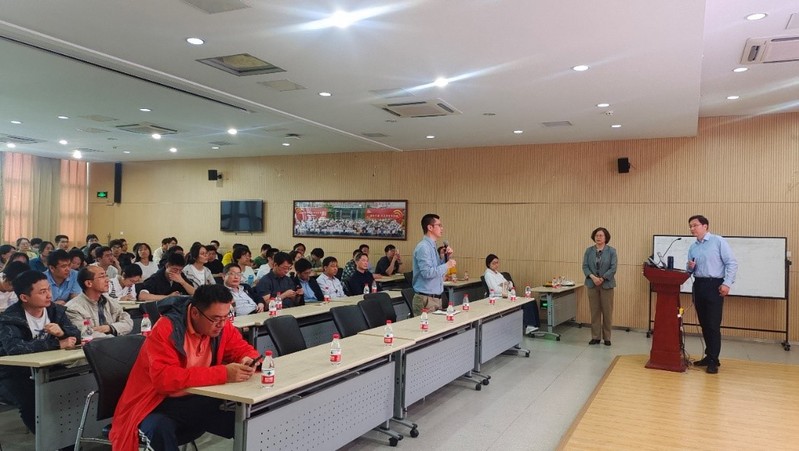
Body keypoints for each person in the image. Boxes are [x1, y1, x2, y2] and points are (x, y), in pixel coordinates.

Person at [110, 284, 259, 451]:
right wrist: (223, 373)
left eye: (226, 316)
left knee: (251, 417)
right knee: (159, 427)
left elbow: (241, 348)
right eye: (216, 319)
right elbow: (165, 380)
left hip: (194, 399)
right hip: (155, 403)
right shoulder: (166, 329)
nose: (222, 324)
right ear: (195, 313)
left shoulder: (221, 325)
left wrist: (249, 359)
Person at [0, 270, 80, 433]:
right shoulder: (10, 317)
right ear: (24, 297)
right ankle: (47, 440)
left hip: (49, 368)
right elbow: (15, 348)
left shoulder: (55, 311)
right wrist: (57, 343)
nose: (49, 295)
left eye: (49, 289)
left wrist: (62, 333)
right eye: (42, 292)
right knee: (31, 400)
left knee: (76, 385)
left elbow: (76, 336)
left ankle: (72, 436)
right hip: (14, 373)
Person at [686, 215, 737, 374]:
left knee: (713, 324)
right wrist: (690, 267)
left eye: (695, 225)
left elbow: (731, 263)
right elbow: (689, 270)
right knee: (704, 323)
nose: (692, 228)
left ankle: (714, 360)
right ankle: (709, 356)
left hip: (714, 285)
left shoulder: (718, 241)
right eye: (690, 226)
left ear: (705, 226)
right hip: (699, 285)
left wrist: (727, 283)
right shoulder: (693, 247)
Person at [66, 266, 133, 337]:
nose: (107, 280)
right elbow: (86, 333)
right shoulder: (73, 308)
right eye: (102, 277)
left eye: (106, 276)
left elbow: (128, 322)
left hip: (114, 341)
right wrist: (113, 340)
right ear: (89, 283)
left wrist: (109, 328)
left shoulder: (110, 301)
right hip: (96, 343)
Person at [484, 254, 541, 334]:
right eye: (494, 263)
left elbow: (509, 284)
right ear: (488, 264)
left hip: (508, 295)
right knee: (527, 303)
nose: (496, 265)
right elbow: (495, 290)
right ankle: (529, 326)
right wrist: (505, 286)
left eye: (497, 263)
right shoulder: (488, 274)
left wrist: (505, 285)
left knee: (531, 301)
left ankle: (535, 325)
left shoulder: (497, 273)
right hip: (499, 297)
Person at [412, 214, 455, 315]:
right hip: (426, 299)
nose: (442, 228)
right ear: (430, 227)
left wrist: (445, 258)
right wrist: (447, 265)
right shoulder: (424, 247)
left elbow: (438, 272)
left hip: (436, 298)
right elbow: (427, 273)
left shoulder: (432, 246)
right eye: (439, 225)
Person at [582, 227, 618, 347]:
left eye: (601, 235)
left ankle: (607, 337)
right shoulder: (589, 251)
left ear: (606, 237)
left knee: (607, 312)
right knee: (595, 312)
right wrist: (593, 277)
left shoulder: (611, 251)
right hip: (592, 284)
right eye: (597, 235)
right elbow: (585, 266)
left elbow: (613, 268)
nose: (598, 237)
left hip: (607, 284)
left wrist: (602, 279)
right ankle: (595, 337)